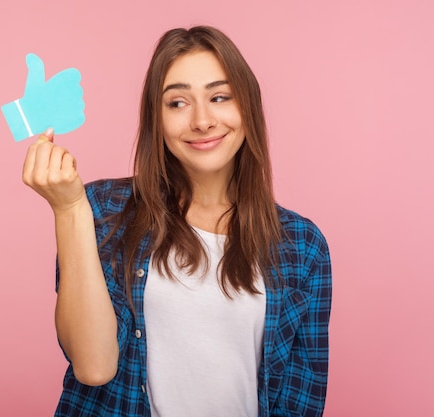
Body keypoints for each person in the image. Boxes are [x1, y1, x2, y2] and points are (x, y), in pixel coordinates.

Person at [22, 26, 332, 417]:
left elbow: (299, 401)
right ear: (157, 119)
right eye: (178, 103)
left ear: (248, 108)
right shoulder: (102, 211)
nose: (202, 121)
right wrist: (69, 210)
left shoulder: (302, 246)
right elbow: (94, 366)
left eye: (219, 97)